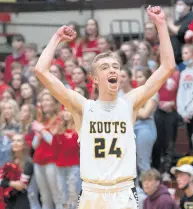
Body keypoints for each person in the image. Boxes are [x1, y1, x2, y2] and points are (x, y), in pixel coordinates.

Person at [34, 6, 175, 209]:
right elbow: (41, 70)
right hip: (93, 192)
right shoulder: (83, 106)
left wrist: (161, 25)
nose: (112, 70)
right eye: (105, 67)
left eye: (116, 67)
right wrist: (56, 38)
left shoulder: (129, 102)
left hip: (123, 190)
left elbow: (167, 66)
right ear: (95, 79)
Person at [0, 134, 33, 209]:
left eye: (18, 140)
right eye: (13, 140)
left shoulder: (28, 162)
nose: (15, 143)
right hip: (7, 201)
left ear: (24, 145)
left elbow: (21, 186)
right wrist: (11, 183)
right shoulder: (9, 161)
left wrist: (5, 182)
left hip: (21, 202)